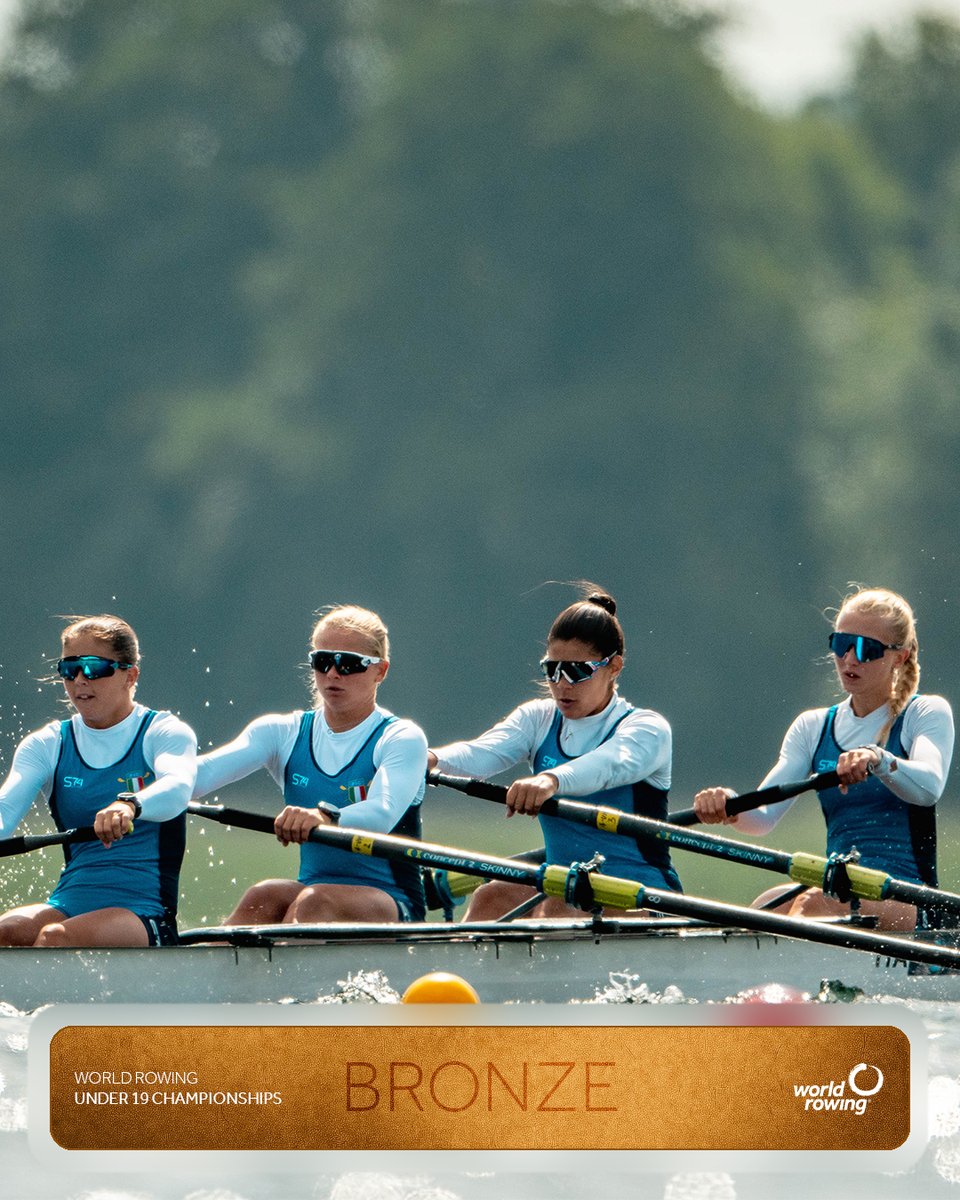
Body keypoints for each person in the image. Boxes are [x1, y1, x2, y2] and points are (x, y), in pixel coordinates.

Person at [694, 586, 954, 930]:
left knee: (812, 903)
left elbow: (929, 787)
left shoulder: (925, 712)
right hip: (841, 887)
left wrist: (877, 759)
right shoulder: (813, 726)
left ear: (899, 656)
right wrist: (729, 804)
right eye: (841, 644)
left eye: (866, 648)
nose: (849, 659)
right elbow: (762, 817)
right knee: (767, 905)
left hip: (909, 899)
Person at [427, 587, 681, 920]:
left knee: (564, 907)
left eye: (577, 671)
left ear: (614, 667)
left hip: (643, 894)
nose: (562, 684)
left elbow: (605, 766)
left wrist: (550, 780)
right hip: (564, 887)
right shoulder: (539, 718)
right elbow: (482, 752)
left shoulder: (647, 729)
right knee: (492, 896)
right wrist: (429, 759)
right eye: (552, 670)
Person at [194, 605, 427, 924]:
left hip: (392, 901)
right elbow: (200, 774)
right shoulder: (282, 733)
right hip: (312, 892)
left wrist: (323, 816)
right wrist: (138, 797)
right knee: (263, 896)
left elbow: (382, 812)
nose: (333, 673)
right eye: (322, 661)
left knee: (314, 902)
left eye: (349, 664)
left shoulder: (401, 738)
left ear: (380, 671)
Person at [0, 615, 197, 947]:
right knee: (6, 932)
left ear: (130, 675)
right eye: (69, 669)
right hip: (69, 902)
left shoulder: (163, 732)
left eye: (94, 668)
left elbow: (178, 787)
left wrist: (130, 805)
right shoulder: (47, 744)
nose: (80, 679)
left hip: (143, 910)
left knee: (55, 938)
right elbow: (4, 810)